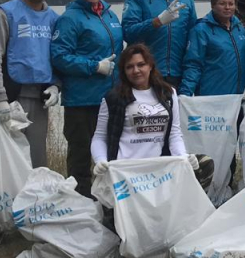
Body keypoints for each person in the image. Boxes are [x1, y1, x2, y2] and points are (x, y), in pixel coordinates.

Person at [91, 44, 212, 190]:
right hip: (125, 171)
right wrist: (100, 160)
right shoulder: (113, 98)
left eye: (141, 64)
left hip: (159, 168)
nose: (136, 70)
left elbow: (174, 133)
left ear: (150, 66)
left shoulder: (168, 93)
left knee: (204, 163)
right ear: (123, 71)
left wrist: (182, 156)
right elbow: (99, 137)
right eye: (129, 67)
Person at [50, 0, 124, 198]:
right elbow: (59, 56)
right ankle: (80, 202)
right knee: (81, 155)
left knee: (110, 154)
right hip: (82, 100)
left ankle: (108, 204)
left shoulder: (110, 16)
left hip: (110, 97)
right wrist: (94, 66)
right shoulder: (70, 18)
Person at [0, 0, 61, 168]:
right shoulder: (6, 13)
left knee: (36, 159)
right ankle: (6, 200)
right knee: (6, 158)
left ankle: (35, 199)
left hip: (39, 99)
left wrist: (56, 85)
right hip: (10, 96)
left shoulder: (53, 18)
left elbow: (58, 56)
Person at [122, 0, 198, 87]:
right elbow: (128, 33)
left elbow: (193, 35)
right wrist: (156, 22)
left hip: (178, 73)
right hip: (146, 74)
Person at [180, 0, 245, 97]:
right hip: (212, 95)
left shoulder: (240, 28)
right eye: (222, 3)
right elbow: (193, 64)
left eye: (231, 4)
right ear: (213, 6)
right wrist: (185, 93)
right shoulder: (201, 30)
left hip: (239, 96)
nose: (227, 7)